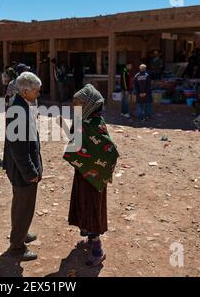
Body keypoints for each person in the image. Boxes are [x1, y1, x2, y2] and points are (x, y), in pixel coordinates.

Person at [62, 84, 119, 267]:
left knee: (93, 209)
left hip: (93, 179)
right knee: (83, 205)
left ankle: (97, 250)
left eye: (78, 103)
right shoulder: (85, 120)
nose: (75, 107)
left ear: (89, 105)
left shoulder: (94, 124)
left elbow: (109, 150)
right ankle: (89, 238)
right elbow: (74, 140)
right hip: (83, 174)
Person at [3, 72, 43, 262]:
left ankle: (20, 233)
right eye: (36, 91)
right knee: (24, 206)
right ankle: (17, 246)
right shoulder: (18, 110)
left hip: (19, 168)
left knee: (20, 204)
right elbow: (19, 149)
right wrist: (31, 173)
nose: (38, 94)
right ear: (25, 91)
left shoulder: (21, 105)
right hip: (22, 170)